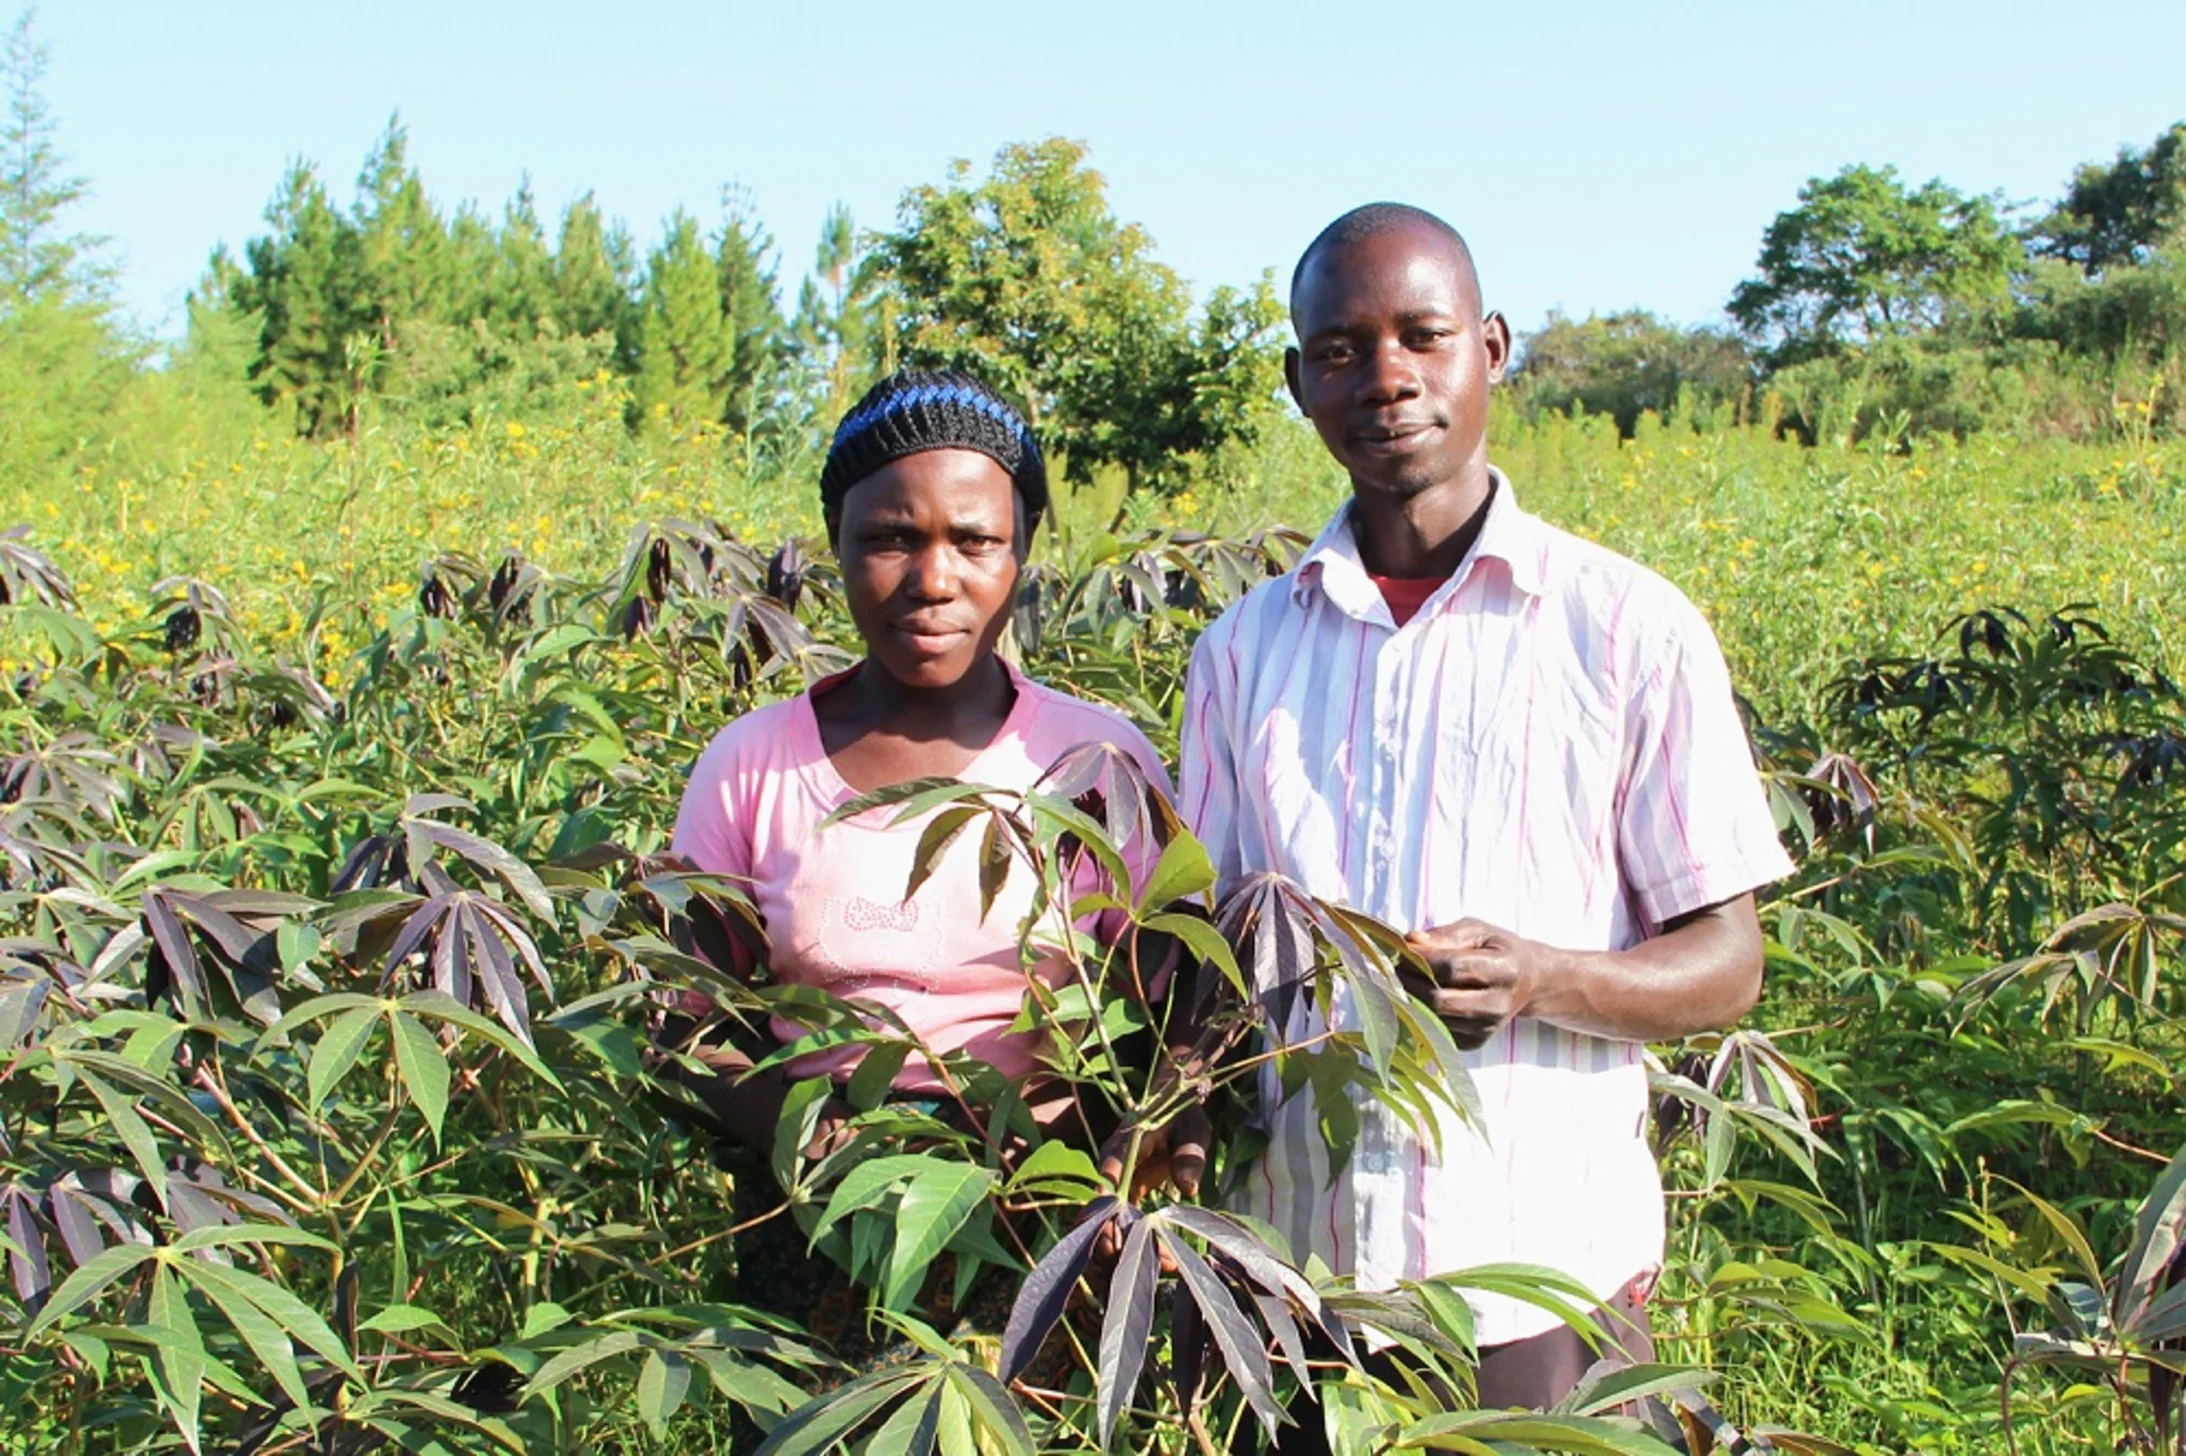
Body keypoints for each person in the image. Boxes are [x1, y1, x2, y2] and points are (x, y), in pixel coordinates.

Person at [1178, 205, 1793, 1431]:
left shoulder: (1625, 629)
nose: (1387, 377)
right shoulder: (1239, 654)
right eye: (1341, 349)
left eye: (1423, 335)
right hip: (1303, 1283)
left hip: (1544, 1284)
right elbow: (1202, 952)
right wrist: (1178, 1150)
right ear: (1298, 380)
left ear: (1492, 348)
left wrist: (1541, 977)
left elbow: (1727, 966)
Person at [668, 367, 1191, 1176]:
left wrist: (1082, 1142)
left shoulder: (1098, 761)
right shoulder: (749, 764)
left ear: (1022, 552)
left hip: (1046, 1194)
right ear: (834, 538)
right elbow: (689, 1027)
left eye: (975, 541)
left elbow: (1177, 1000)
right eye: (890, 538)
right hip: (813, 1209)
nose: (934, 581)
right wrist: (821, 1146)